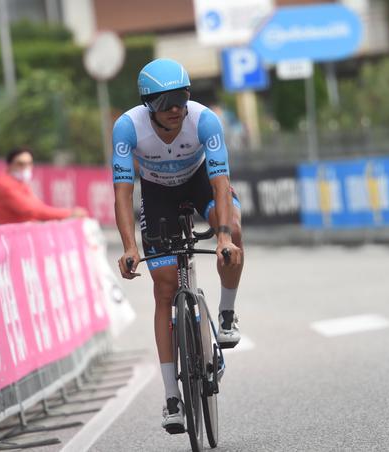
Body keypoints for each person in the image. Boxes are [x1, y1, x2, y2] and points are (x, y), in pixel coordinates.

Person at [112, 58, 244, 432]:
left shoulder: (204, 120)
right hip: (157, 195)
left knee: (234, 227)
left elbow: (220, 182)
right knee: (165, 288)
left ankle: (227, 314)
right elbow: (123, 193)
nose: (175, 109)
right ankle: (172, 396)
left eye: (182, 99)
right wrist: (129, 247)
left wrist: (221, 236)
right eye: (165, 102)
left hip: (198, 181)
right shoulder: (127, 128)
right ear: (147, 104)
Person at [0, 147, 88, 224]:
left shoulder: (19, 183)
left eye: (29, 163)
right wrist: (68, 213)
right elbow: (33, 211)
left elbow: (38, 207)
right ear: (10, 165)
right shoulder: (6, 187)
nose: (26, 167)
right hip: (13, 237)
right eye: (21, 164)